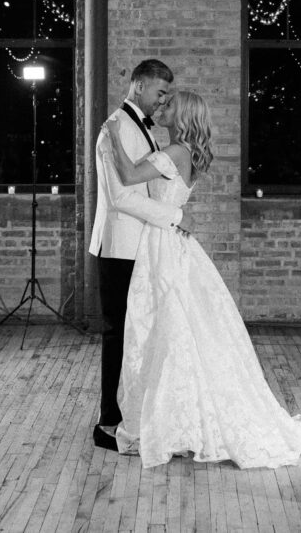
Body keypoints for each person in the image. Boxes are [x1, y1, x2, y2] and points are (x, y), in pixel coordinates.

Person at [103, 90, 301, 468]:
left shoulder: (175, 153)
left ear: (184, 114)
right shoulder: (182, 150)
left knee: (166, 329)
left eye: (168, 105)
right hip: (167, 240)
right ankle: (178, 418)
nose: (161, 108)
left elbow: (127, 176)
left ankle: (173, 421)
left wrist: (112, 133)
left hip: (162, 245)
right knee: (173, 331)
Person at [89, 59, 193, 452]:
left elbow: (150, 185)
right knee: (117, 334)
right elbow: (120, 195)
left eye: (167, 95)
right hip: (120, 246)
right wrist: (172, 216)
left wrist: (167, 221)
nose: (162, 101)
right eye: (159, 93)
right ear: (138, 86)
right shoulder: (112, 129)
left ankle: (136, 414)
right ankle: (108, 423)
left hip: (145, 245)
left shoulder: (141, 130)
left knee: (139, 335)